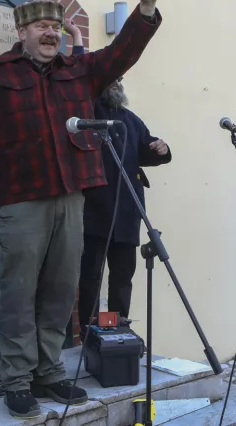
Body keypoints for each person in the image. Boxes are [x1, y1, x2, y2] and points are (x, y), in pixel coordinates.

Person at [0, 0, 162, 418]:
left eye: (55, 27)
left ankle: (50, 371)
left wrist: (143, 12)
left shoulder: (78, 71)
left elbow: (123, 53)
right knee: (20, 290)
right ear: (21, 32)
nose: (50, 33)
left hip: (72, 195)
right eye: (41, 25)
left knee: (62, 289)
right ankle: (17, 379)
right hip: (22, 200)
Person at [67, 20, 172, 328]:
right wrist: (75, 39)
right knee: (90, 278)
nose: (116, 87)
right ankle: (88, 333)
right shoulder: (88, 112)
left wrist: (160, 149)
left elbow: (145, 151)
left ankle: (114, 329)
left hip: (127, 214)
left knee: (121, 280)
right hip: (94, 213)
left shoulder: (131, 121)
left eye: (119, 83)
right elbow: (79, 75)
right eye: (111, 82)